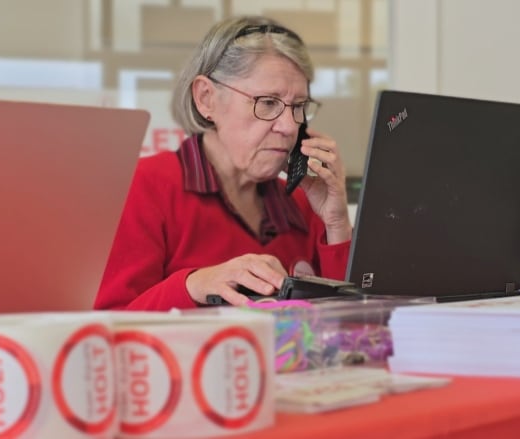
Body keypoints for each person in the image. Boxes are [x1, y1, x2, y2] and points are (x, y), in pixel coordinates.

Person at [94, 16, 352, 311]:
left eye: (298, 107)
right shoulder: (144, 186)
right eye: (268, 103)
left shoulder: (304, 203)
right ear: (206, 98)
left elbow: (349, 331)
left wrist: (337, 224)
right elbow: (106, 328)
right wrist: (193, 285)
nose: (289, 127)